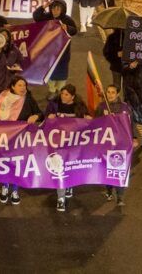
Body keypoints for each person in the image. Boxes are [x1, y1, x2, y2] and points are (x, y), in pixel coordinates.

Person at [0, 76, 42, 205]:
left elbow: (41, 113)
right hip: (4, 137)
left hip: (21, 139)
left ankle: (14, 190)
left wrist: (36, 116)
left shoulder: (28, 99)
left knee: (17, 164)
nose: (23, 88)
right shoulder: (3, 97)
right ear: (12, 87)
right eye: (20, 85)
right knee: (5, 163)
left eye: (24, 85)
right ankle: (5, 186)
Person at [46, 83, 88, 211]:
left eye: (66, 95)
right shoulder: (54, 104)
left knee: (70, 168)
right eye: (62, 94)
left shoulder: (79, 107)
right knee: (60, 170)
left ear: (73, 97)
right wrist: (49, 118)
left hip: (73, 145)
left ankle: (69, 185)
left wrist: (89, 119)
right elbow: (45, 119)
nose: (63, 96)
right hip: (58, 146)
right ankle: (61, 199)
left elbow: (87, 122)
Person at [95, 84, 134, 206]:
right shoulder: (101, 107)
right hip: (106, 143)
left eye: (113, 92)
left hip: (120, 144)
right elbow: (95, 123)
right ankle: (108, 191)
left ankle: (120, 197)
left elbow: (131, 123)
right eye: (108, 92)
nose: (110, 94)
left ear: (117, 94)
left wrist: (135, 137)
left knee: (119, 169)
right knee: (107, 169)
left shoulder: (125, 107)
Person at [32, 0, 78, 96]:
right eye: (53, 9)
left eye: (58, 9)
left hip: (63, 52)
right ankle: (52, 90)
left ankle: (61, 90)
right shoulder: (47, 17)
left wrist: (68, 28)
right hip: (49, 51)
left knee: (62, 72)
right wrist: (43, 7)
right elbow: (36, 17)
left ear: (62, 10)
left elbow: (74, 31)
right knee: (50, 72)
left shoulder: (67, 19)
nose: (55, 11)